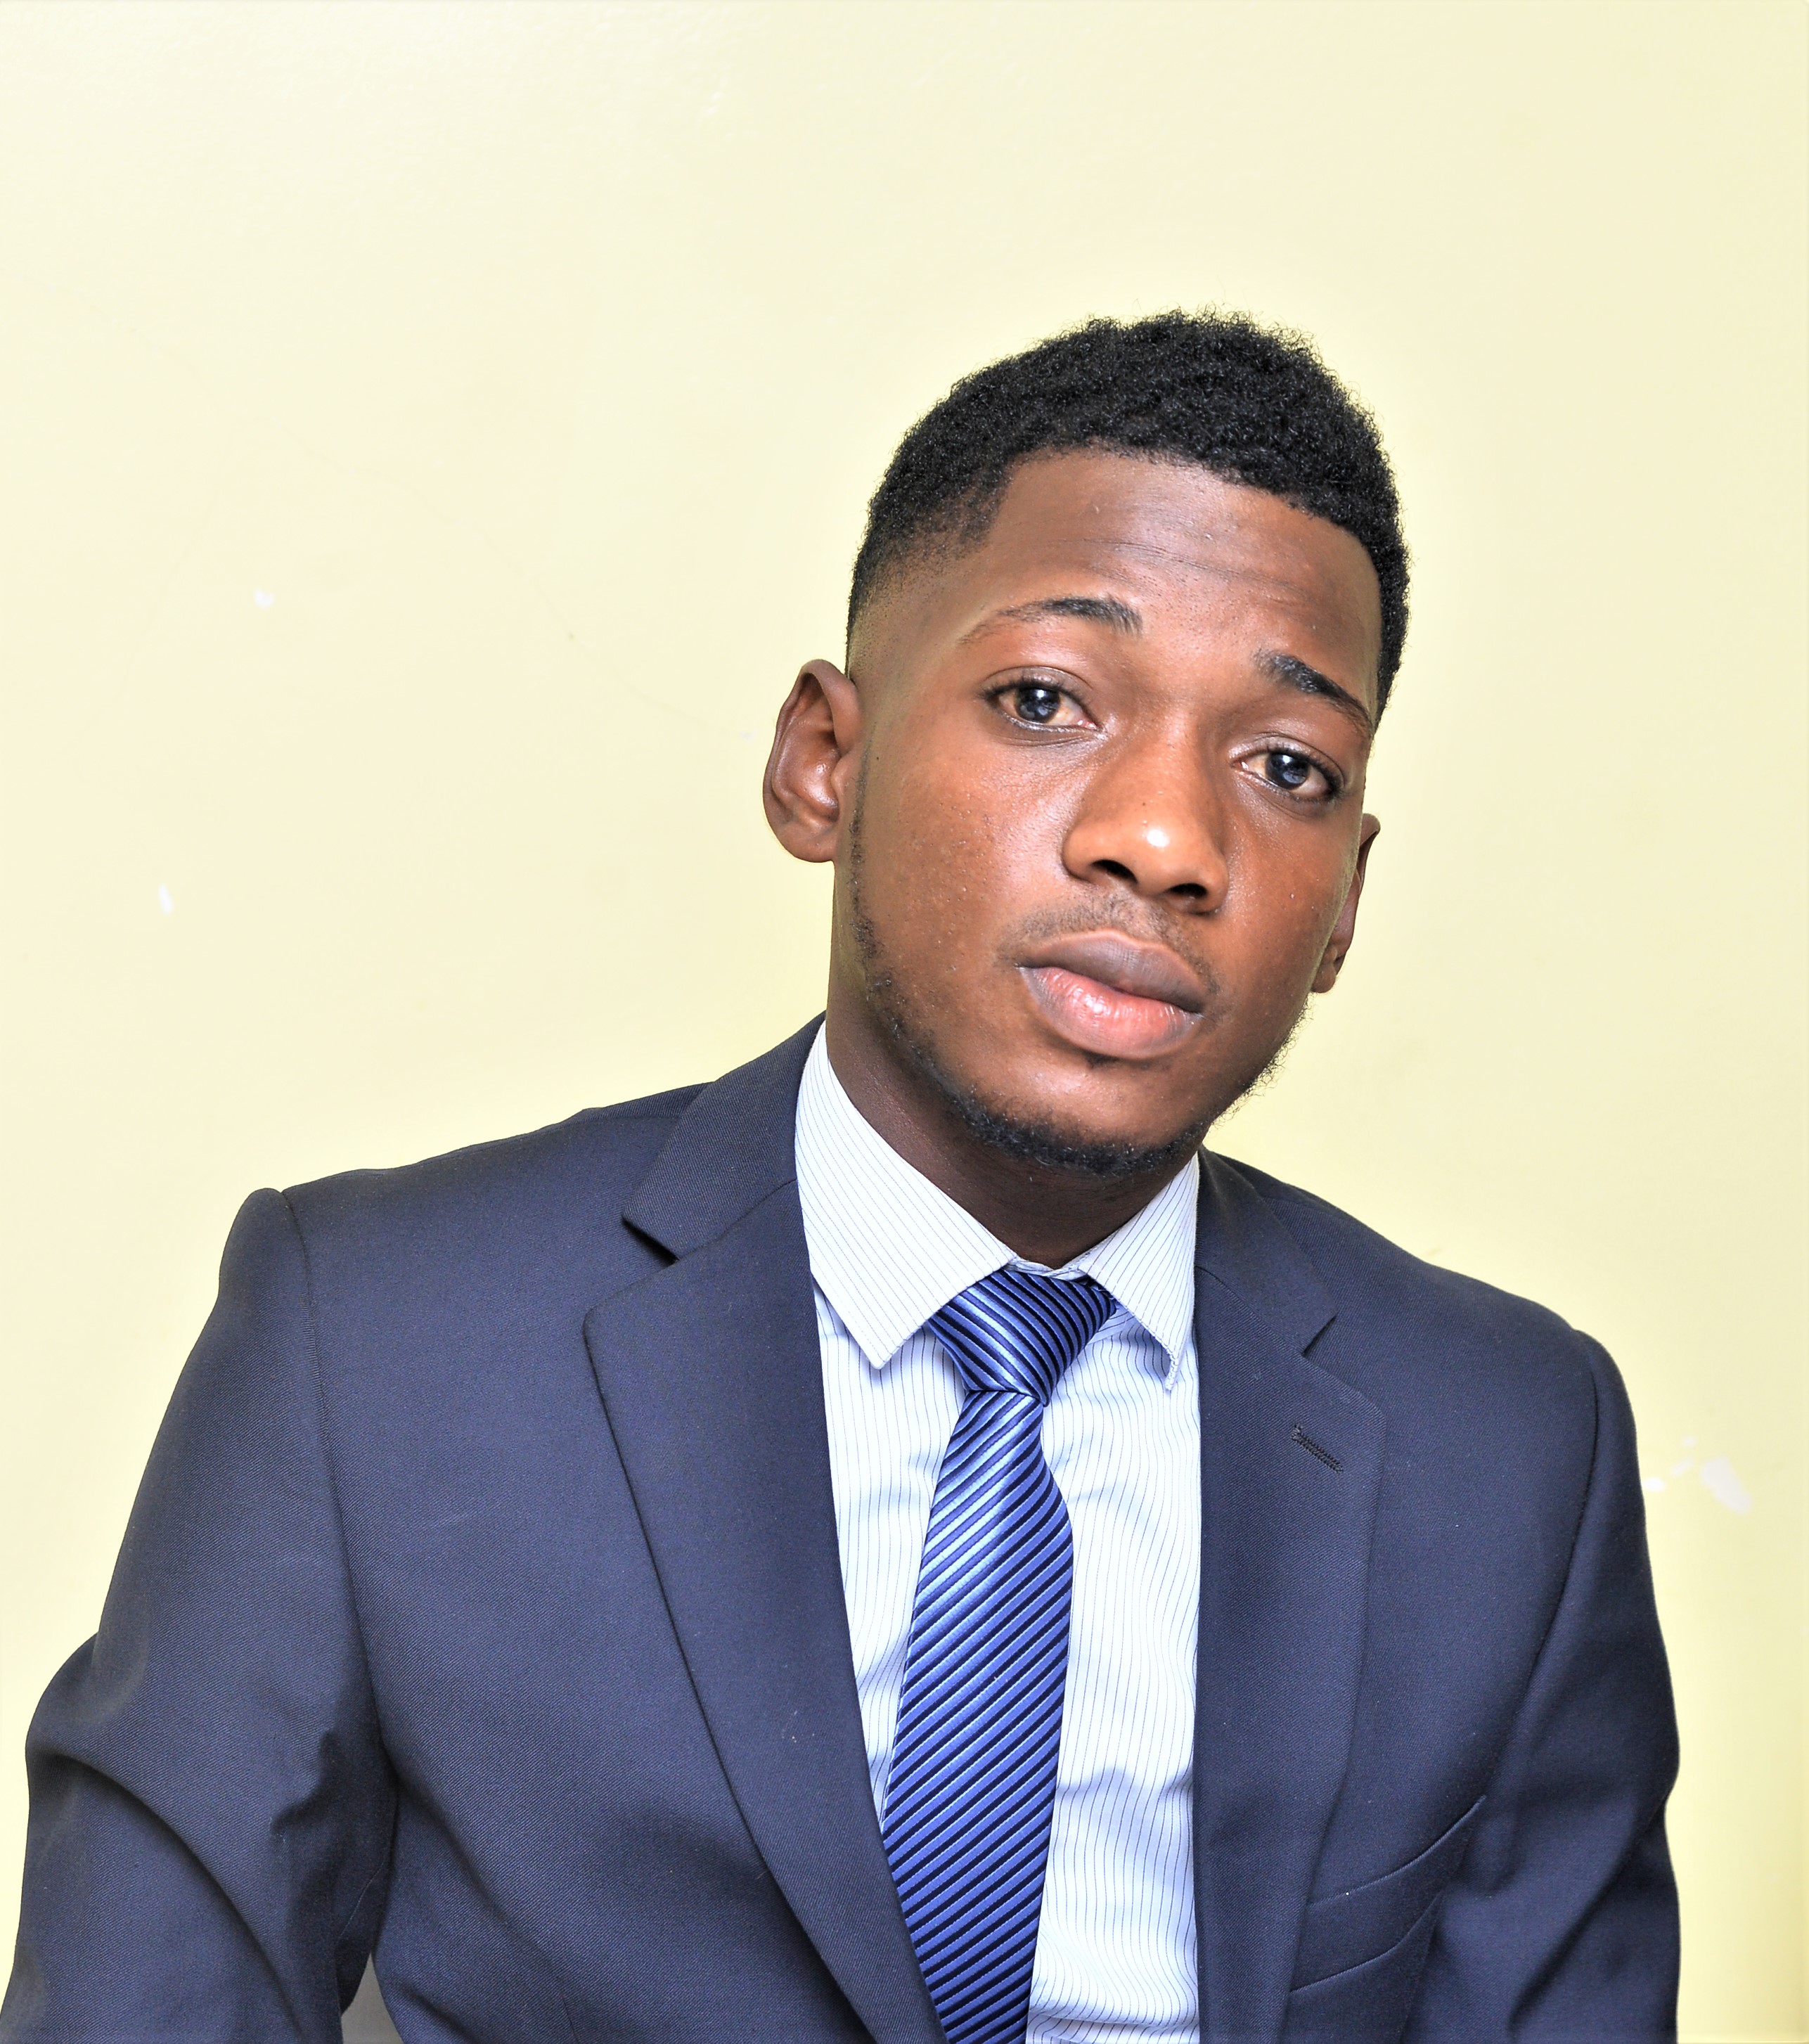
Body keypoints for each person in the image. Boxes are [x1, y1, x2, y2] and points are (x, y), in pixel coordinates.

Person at [1, 313, 1678, 2044]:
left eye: (1287, 768)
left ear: (1344, 902)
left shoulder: (1511, 1447)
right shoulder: (373, 1338)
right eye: (1045, 699)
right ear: (824, 760)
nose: (1167, 838)